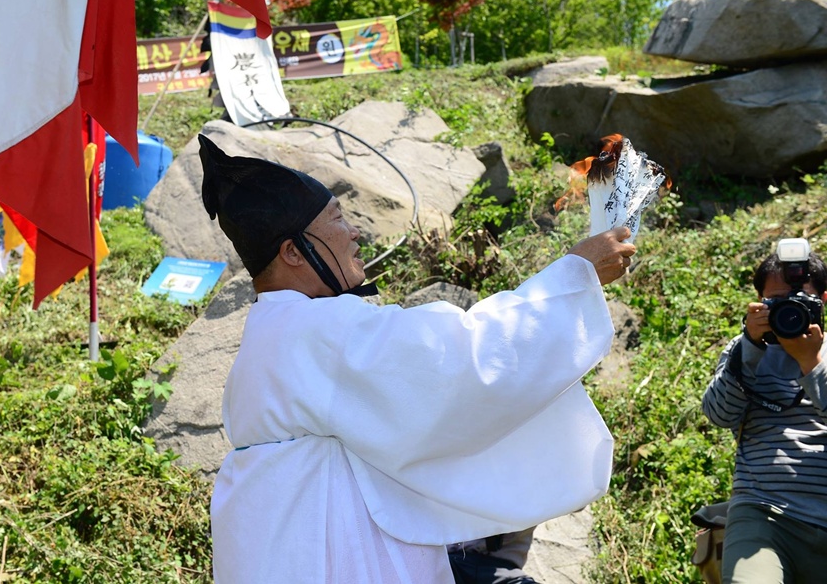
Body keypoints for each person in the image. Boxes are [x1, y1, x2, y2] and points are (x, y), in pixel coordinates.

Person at [198, 134, 637, 583]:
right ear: (292, 252)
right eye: (337, 218)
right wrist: (573, 276)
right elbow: (461, 362)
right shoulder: (315, 329)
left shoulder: (272, 333)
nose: (354, 232)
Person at [702, 241, 827, 584]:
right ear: (758, 304)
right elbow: (718, 414)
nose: (789, 311)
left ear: (824, 302)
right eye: (777, 303)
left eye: (801, 302)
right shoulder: (745, 349)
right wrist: (751, 350)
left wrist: (810, 361)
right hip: (763, 513)